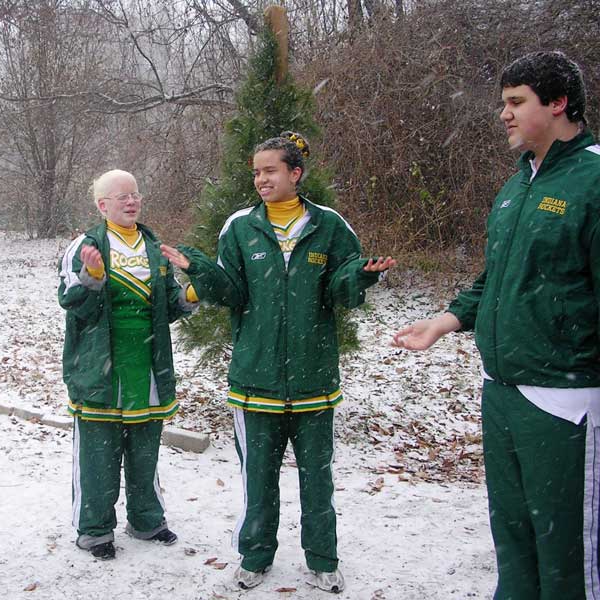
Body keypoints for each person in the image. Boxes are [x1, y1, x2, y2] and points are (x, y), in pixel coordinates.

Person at [392, 51, 600, 600]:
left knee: (565, 555)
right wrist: (445, 320)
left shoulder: (594, 181)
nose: (503, 115)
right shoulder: (515, 189)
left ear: (557, 103)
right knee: (513, 541)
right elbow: (495, 280)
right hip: (502, 391)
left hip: (567, 403)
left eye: (515, 102)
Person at [161, 132, 396, 593]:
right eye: (255, 172)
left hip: (314, 379)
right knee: (258, 481)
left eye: (270, 170)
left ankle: (323, 559)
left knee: (318, 480)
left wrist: (362, 275)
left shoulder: (329, 226)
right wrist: (197, 271)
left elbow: (339, 288)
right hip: (255, 380)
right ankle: (254, 557)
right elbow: (231, 292)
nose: (260, 179)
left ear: (295, 173)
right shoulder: (241, 227)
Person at [58, 169, 197, 560]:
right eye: (122, 196)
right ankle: (95, 529)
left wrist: (192, 291)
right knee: (98, 453)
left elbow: (170, 303)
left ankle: (146, 519)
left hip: (148, 363)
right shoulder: (84, 246)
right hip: (99, 365)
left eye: (135, 194)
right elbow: (72, 304)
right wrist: (92, 278)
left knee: (144, 447)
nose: (132, 201)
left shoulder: (153, 246)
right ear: (102, 206)